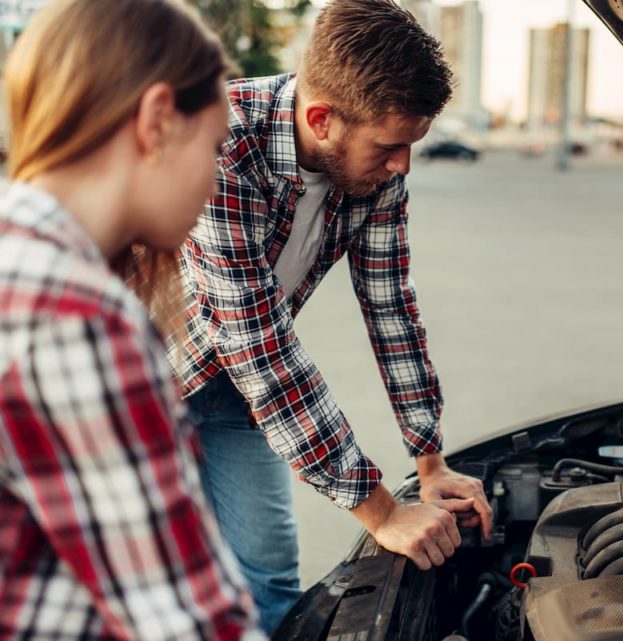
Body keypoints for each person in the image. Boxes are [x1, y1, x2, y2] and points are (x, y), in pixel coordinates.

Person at [173, 0, 494, 631]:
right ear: (321, 119)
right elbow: (258, 340)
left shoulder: (374, 172)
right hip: (131, 391)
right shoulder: (215, 145)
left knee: (266, 580)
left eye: (410, 146)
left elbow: (390, 305)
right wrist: (381, 512)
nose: (402, 165)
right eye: (390, 147)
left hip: (239, 394)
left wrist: (429, 461)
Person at [0, 0, 265, 638]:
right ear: (156, 122)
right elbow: (188, 622)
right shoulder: (78, 315)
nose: (214, 178)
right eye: (215, 144)